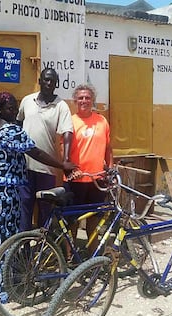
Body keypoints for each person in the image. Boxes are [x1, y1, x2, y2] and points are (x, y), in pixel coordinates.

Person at [0, 92, 76, 304]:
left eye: (15, 107)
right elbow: (35, 152)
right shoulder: (10, 131)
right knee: (6, 239)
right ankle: (1, 289)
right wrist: (62, 165)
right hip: (6, 193)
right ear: (1, 109)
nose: (14, 111)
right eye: (10, 108)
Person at [17, 68, 73, 231]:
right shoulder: (27, 101)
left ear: (56, 84)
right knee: (24, 208)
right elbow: (18, 123)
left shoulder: (61, 106)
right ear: (40, 81)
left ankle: (43, 250)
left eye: (53, 81)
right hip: (23, 166)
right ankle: (23, 249)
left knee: (45, 210)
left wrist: (66, 160)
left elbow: (67, 132)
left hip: (46, 168)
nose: (49, 83)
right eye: (46, 80)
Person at [64, 84, 113, 256]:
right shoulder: (70, 121)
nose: (84, 101)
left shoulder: (102, 121)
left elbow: (108, 148)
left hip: (97, 180)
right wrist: (69, 171)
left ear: (92, 100)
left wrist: (110, 170)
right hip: (76, 180)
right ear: (75, 101)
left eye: (87, 97)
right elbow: (62, 150)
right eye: (81, 98)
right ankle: (69, 257)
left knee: (94, 219)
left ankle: (93, 257)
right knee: (73, 221)